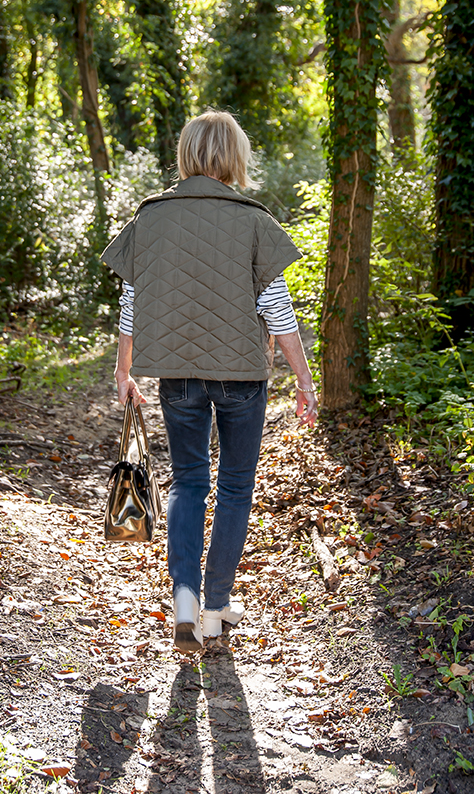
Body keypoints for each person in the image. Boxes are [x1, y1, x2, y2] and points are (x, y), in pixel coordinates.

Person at [101, 111, 318, 652]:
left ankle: (183, 598)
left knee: (190, 482)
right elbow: (278, 311)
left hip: (177, 375)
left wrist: (124, 368)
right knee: (236, 485)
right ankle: (217, 607)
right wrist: (305, 381)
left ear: (188, 155)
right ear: (235, 157)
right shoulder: (252, 219)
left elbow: (132, 301)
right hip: (242, 374)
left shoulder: (151, 216)